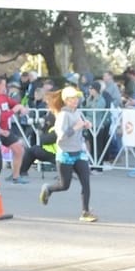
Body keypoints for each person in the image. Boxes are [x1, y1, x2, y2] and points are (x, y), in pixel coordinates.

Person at [39, 87, 98, 222]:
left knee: (86, 182)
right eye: (72, 98)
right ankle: (48, 189)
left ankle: (85, 212)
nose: (75, 100)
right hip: (65, 154)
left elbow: (80, 125)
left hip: (79, 152)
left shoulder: (77, 112)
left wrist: (85, 125)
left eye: (77, 98)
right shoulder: (62, 115)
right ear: (66, 100)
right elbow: (61, 136)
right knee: (64, 185)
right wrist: (76, 128)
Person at [0, 77, 29, 183]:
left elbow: (14, 104)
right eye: (3, 85)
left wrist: (21, 107)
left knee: (19, 150)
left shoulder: (3, 96)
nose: (5, 87)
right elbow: (0, 117)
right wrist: (13, 111)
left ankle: (15, 176)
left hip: (6, 131)